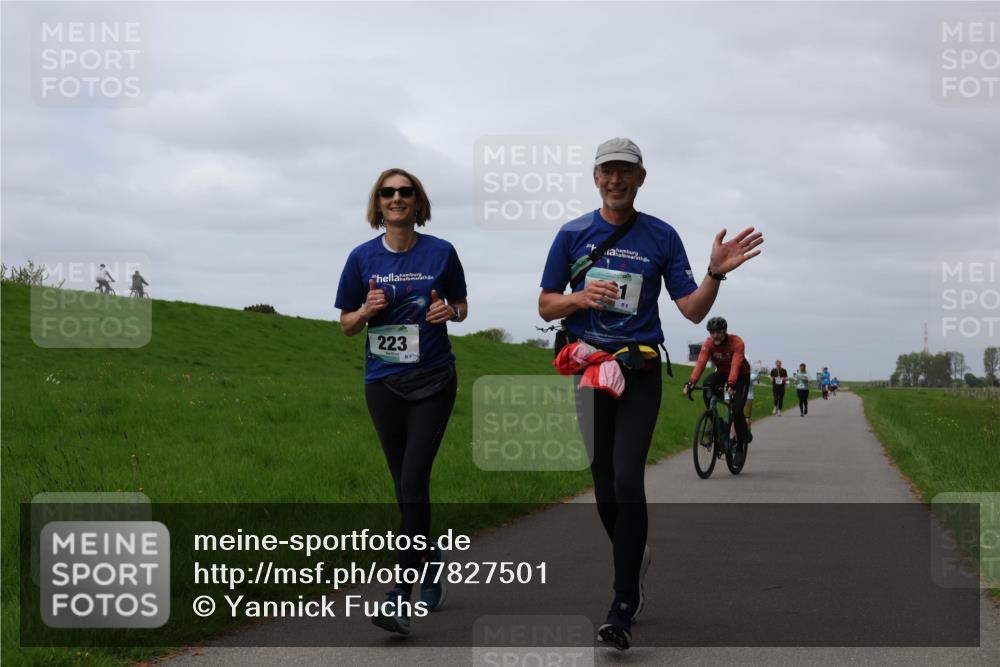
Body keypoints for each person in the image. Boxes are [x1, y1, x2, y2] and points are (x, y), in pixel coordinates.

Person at [538, 137, 763, 651]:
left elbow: (692, 310)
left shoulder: (661, 236)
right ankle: (631, 555)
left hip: (637, 370)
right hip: (590, 369)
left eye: (626, 172)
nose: (615, 180)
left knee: (625, 475)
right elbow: (548, 305)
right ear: (595, 178)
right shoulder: (572, 234)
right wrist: (579, 297)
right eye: (607, 172)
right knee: (601, 484)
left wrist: (714, 274)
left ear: (641, 179)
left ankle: (622, 604)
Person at [335, 168, 468, 636]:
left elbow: (462, 305)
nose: (396, 199)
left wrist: (448, 311)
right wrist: (367, 312)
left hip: (433, 380)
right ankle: (430, 563)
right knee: (404, 486)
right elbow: (347, 325)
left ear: (417, 201)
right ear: (379, 203)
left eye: (405, 192)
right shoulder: (361, 258)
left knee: (413, 480)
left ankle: (398, 594)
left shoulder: (441, 252)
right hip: (383, 384)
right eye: (388, 193)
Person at [684, 318, 752, 450]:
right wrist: (691, 382)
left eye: (718, 332)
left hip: (741, 375)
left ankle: (741, 443)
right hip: (722, 373)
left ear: (725, 331)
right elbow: (701, 363)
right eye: (712, 332)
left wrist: (731, 383)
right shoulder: (709, 344)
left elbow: (736, 364)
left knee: (737, 410)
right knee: (707, 385)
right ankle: (717, 422)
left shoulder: (736, 342)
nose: (715, 335)